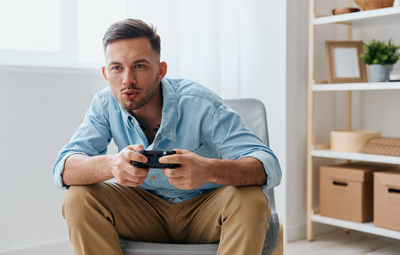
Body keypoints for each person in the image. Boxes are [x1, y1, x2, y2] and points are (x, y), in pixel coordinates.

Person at [53, 18, 281, 255]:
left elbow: (268, 165)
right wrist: (111, 165)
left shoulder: (201, 104)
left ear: (161, 70)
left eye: (139, 66)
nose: (127, 80)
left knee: (250, 200)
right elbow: (65, 167)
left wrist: (209, 170)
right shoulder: (104, 104)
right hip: (142, 214)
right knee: (78, 198)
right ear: (105, 73)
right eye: (117, 67)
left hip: (207, 212)